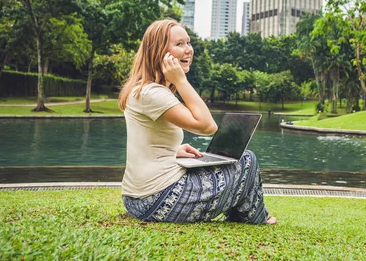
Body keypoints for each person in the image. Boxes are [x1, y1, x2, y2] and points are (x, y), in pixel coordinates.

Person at [118, 19, 276, 225]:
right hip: (159, 200)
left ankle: (246, 214)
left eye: (188, 42)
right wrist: (181, 81)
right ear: (159, 52)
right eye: (179, 44)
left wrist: (171, 150)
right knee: (247, 161)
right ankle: (254, 217)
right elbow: (207, 126)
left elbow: (144, 140)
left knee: (234, 159)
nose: (188, 50)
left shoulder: (144, 89)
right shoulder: (152, 93)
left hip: (137, 199)